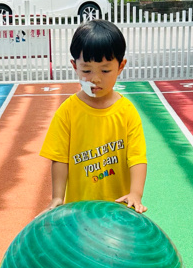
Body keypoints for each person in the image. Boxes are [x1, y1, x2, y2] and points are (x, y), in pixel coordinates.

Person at [39, 18, 147, 213]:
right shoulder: (67, 111)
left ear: (121, 66)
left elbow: (137, 158)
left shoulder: (127, 111)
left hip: (118, 211)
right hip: (79, 211)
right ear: (75, 66)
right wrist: (57, 197)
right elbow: (60, 159)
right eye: (87, 70)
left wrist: (135, 194)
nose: (95, 79)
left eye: (105, 70)